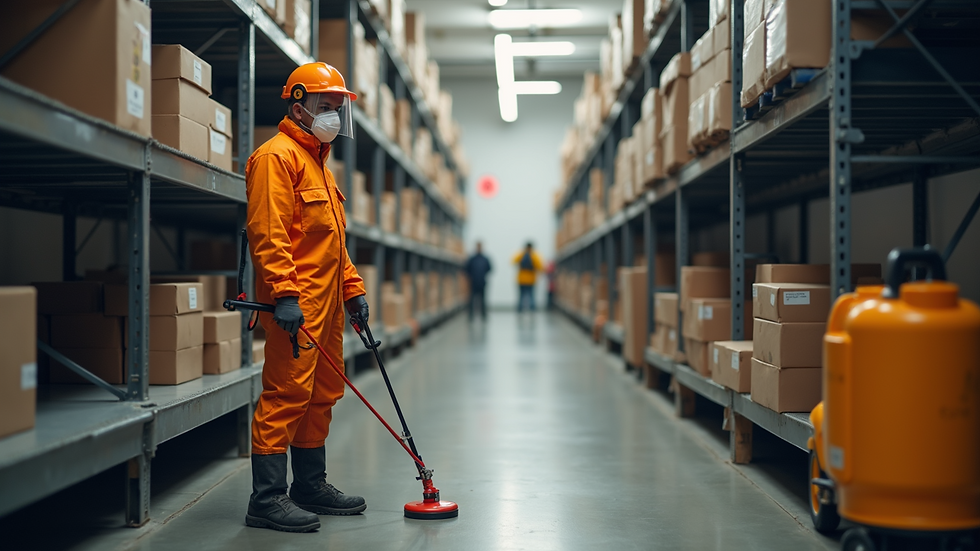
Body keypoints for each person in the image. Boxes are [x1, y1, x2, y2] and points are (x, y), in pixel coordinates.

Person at [244, 62, 369, 533]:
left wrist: (352, 290)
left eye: (338, 108)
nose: (334, 116)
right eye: (326, 107)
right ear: (298, 106)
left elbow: (334, 242)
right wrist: (284, 295)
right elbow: (268, 233)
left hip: (329, 306)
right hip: (297, 307)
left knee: (322, 395)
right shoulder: (277, 158)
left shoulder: (321, 167)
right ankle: (267, 498)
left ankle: (309, 485)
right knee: (286, 394)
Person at [512, 241, 543, 312]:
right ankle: (531, 310)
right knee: (530, 296)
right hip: (529, 280)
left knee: (523, 296)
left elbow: (513, 261)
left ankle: (521, 309)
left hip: (523, 280)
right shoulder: (534, 255)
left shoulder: (522, 254)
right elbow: (540, 267)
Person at [465, 241, 492, 321]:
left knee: (483, 299)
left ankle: (483, 315)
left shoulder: (485, 258)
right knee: (472, 299)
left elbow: (489, 268)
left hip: (482, 282)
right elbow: (467, 268)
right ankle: (471, 316)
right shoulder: (472, 258)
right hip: (473, 282)